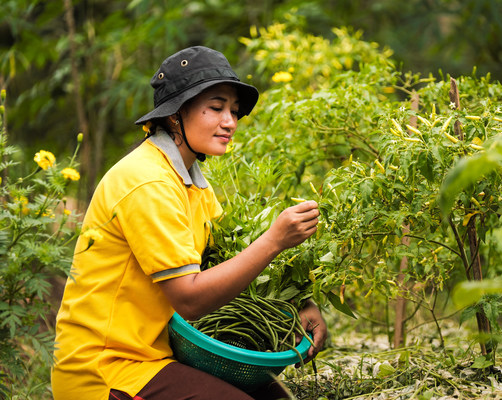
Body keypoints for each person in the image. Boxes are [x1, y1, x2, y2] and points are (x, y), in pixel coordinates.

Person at [51, 46, 327, 400]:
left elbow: (226, 263)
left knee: (274, 396)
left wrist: (296, 305)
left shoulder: (192, 183)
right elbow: (191, 299)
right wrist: (274, 240)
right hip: (105, 368)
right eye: (216, 107)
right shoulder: (147, 181)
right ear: (175, 114)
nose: (230, 122)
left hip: (154, 357)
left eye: (234, 111)